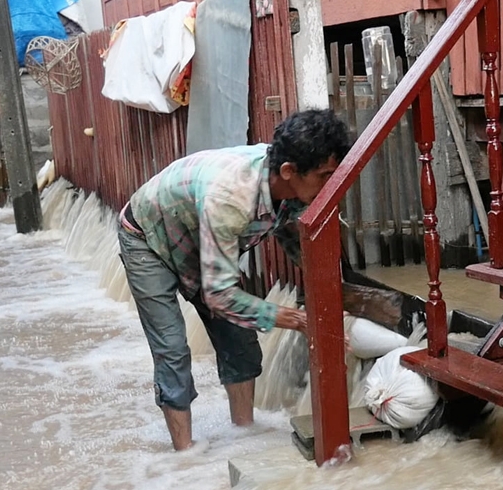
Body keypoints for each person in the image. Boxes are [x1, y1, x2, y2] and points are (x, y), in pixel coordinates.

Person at [117, 109, 351, 451]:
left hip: (203, 237)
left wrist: (338, 292)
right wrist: (298, 319)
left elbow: (299, 241)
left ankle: (244, 432)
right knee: (172, 349)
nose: (332, 186)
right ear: (289, 171)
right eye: (325, 176)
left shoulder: (289, 187)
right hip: (148, 239)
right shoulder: (232, 197)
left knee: (239, 338)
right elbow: (220, 296)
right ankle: (185, 456)